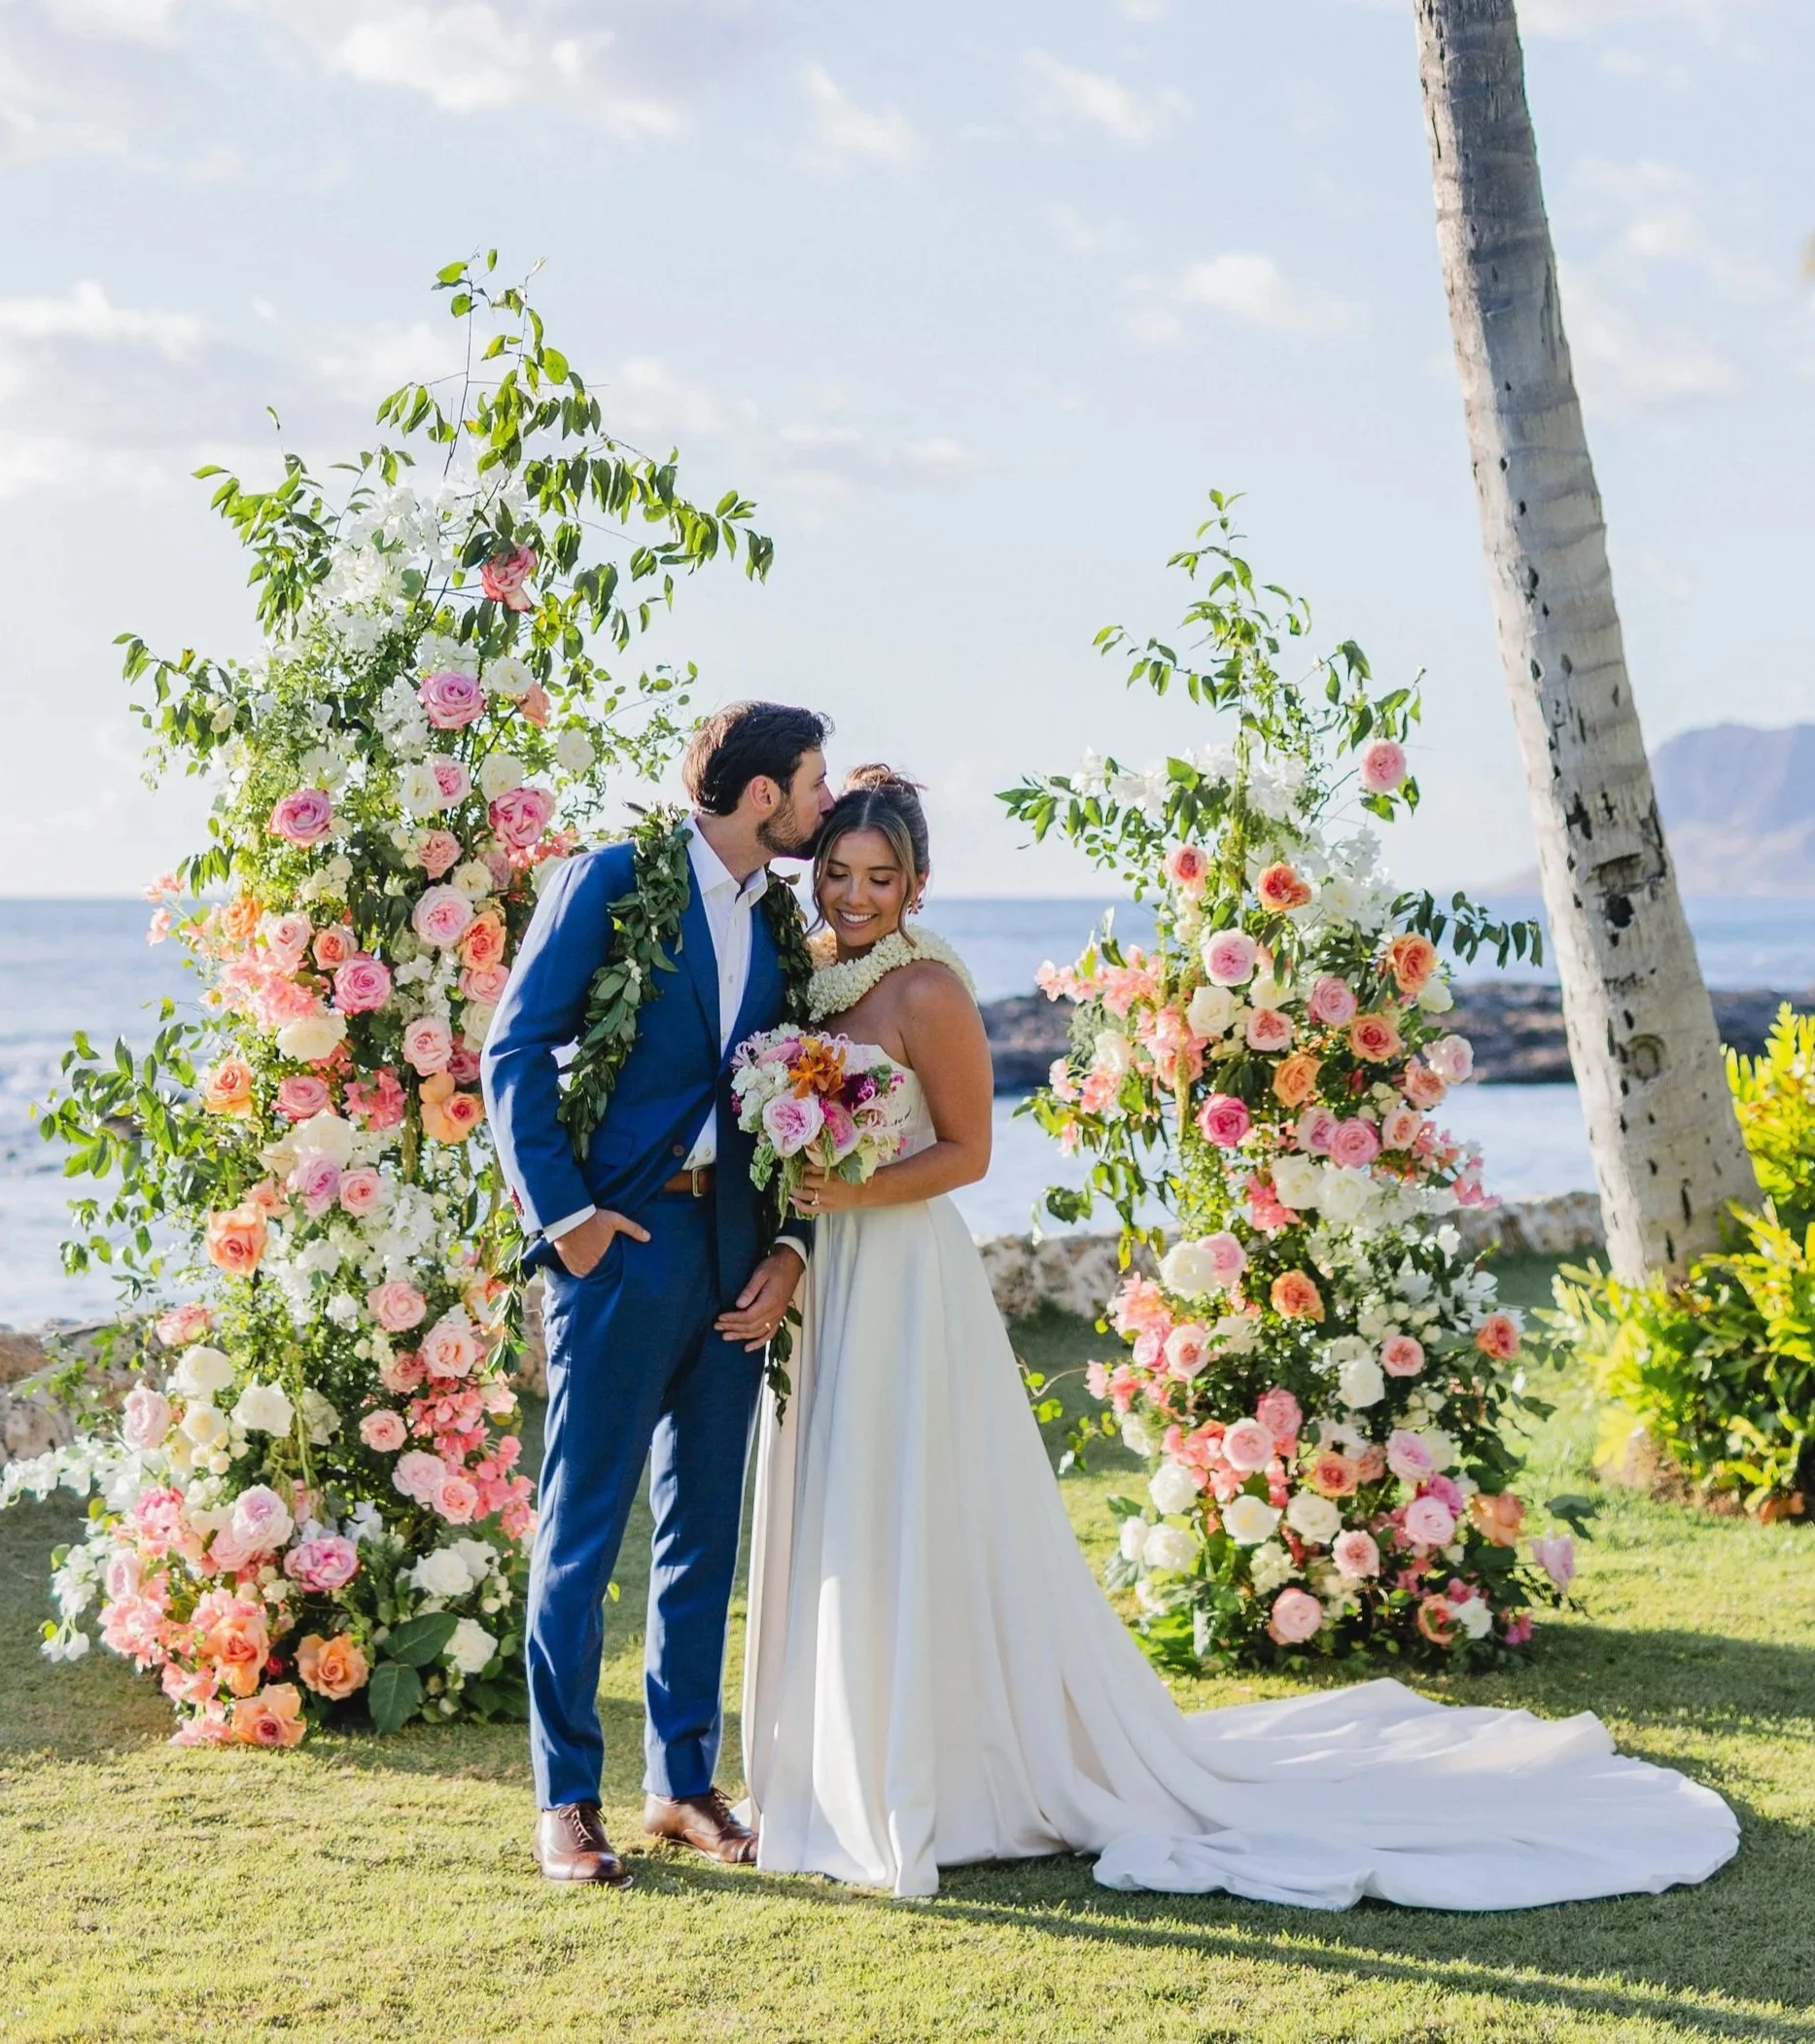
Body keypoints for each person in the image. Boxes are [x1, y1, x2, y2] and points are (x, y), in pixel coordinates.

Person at [740, 764, 1741, 1908]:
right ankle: (835, 1757)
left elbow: (968, 1152)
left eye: (879, 876)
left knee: (911, 1503)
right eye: (837, 870)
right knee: (843, 1506)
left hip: (903, 1274)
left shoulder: (925, 988)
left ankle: (937, 1768)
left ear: (917, 882)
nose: (854, 893)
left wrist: (851, 1193)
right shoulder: (809, 974)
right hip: (828, 1271)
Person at [482, 701, 833, 1887]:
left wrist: (786, 1246)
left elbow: (799, 1098)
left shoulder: (777, 920)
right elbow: (514, 1049)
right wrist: (567, 1220)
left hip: (733, 1255)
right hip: (620, 1245)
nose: (824, 803)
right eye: (813, 783)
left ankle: (680, 1783)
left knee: (701, 1530)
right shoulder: (610, 880)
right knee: (582, 1530)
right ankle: (563, 1801)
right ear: (761, 795)